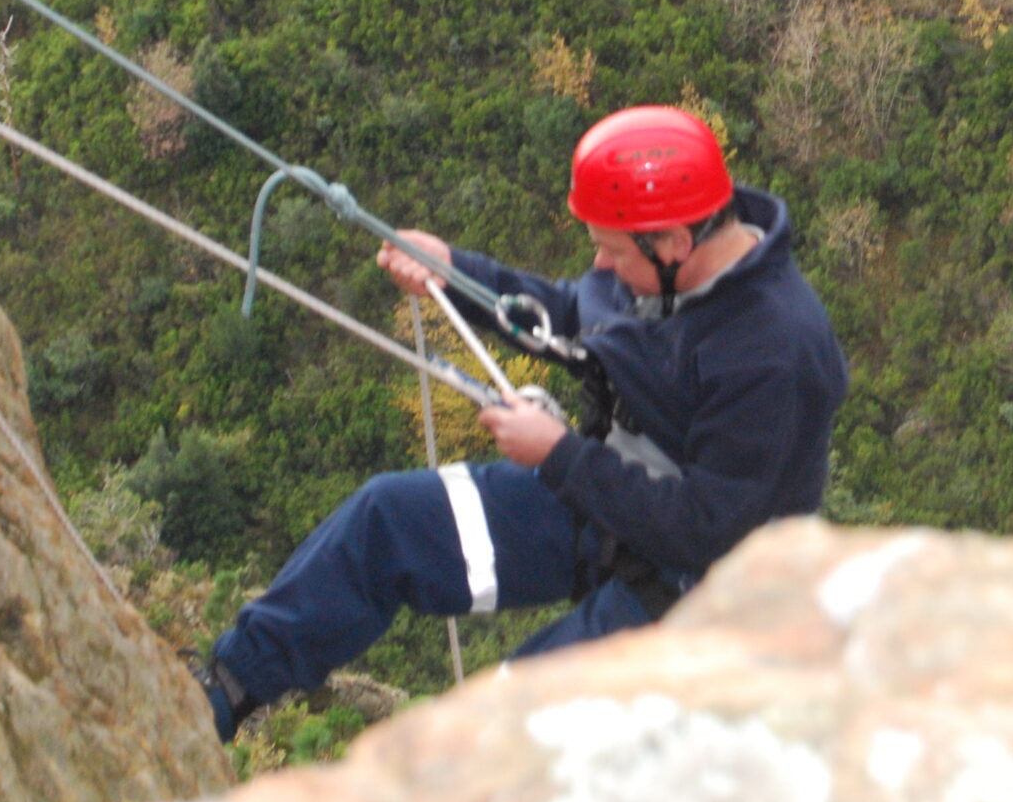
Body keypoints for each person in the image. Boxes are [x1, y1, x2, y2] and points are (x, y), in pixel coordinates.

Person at [198, 104, 850, 740]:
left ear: (677, 243)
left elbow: (708, 532)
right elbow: (573, 314)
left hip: (701, 595)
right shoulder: (660, 269)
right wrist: (452, 271)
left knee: (504, 739)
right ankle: (226, 689)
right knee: (388, 521)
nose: (601, 266)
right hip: (608, 512)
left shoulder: (775, 354)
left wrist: (559, 456)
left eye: (613, 252)